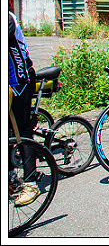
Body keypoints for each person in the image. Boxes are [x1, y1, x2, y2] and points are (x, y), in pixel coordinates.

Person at [8, 11, 40, 207]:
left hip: (18, 80)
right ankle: (11, 174)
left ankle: (30, 182)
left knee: (21, 130)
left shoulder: (7, 17)